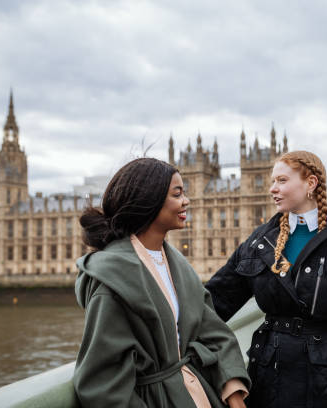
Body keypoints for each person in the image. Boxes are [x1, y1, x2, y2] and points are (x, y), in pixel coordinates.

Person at [206, 151, 327, 408]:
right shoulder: (260, 241)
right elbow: (211, 307)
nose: (272, 188)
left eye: (282, 180)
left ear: (311, 184)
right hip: (267, 381)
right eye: (272, 181)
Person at [73, 158, 250, 408]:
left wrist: (234, 394)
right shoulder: (113, 278)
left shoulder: (177, 265)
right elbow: (102, 383)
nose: (186, 200)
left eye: (185, 192)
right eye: (177, 194)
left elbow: (215, 333)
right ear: (149, 200)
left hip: (199, 394)